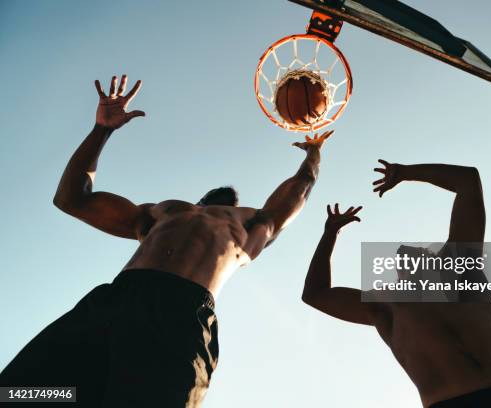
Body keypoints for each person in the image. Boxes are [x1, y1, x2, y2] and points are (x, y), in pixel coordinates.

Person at [0, 75, 333, 407]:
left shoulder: (252, 224)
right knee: (21, 394)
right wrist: (102, 130)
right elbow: (72, 199)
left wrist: (313, 154)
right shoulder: (165, 212)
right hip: (117, 301)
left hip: (181, 318)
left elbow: (301, 187)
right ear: (201, 199)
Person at [301, 161, 491, 408]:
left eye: (424, 250)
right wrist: (330, 234)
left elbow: (468, 181)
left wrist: (405, 172)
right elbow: (315, 294)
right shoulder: (386, 305)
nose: (415, 250)